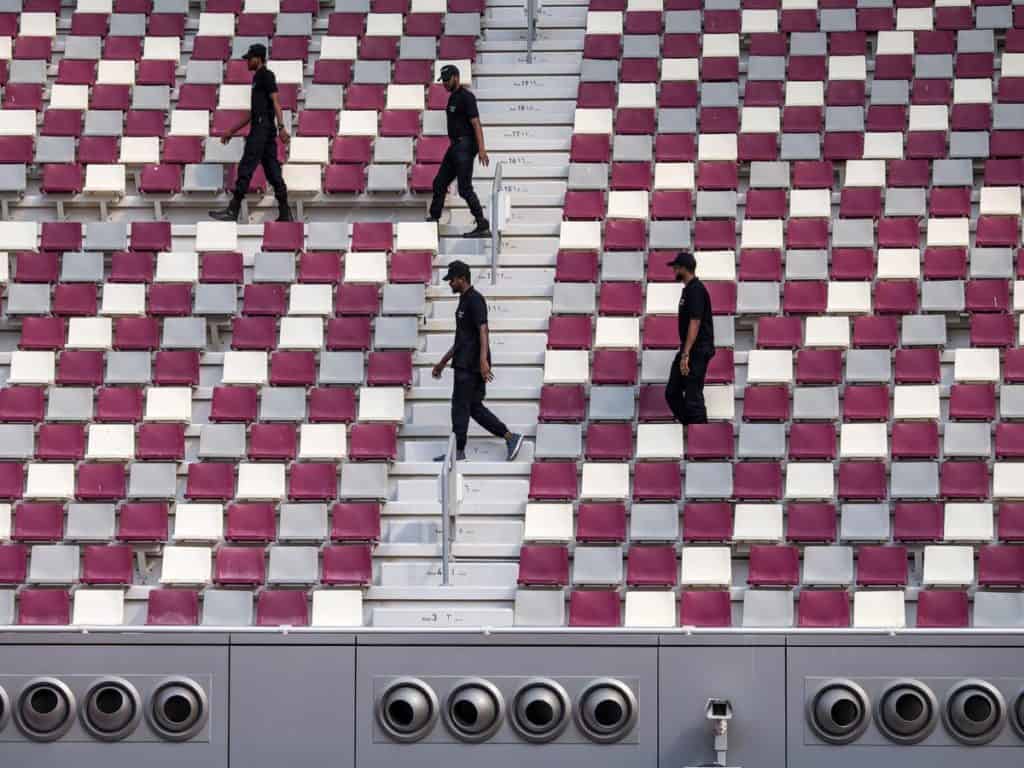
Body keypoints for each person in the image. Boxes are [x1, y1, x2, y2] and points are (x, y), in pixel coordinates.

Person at [432, 260, 524, 462]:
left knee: (460, 407)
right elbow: (461, 338)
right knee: (473, 407)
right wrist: (442, 362)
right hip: (463, 362)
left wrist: (483, 361)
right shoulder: (463, 300)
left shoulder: (475, 299)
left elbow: (484, 330)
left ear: (462, 279)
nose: (450, 283)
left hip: (470, 365)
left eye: (452, 280)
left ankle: (458, 452)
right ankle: (510, 437)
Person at [210, 43, 292, 223]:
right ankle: (286, 214)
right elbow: (253, 112)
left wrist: (282, 127)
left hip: (262, 130)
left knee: (246, 166)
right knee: (273, 172)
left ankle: (233, 209)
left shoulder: (266, 76)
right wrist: (232, 130)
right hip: (264, 129)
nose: (247, 61)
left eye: (250, 58)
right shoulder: (257, 79)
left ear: (259, 58)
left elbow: (276, 102)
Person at [427, 65, 491, 238]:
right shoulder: (452, 98)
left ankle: (482, 223)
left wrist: (482, 149)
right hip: (455, 146)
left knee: (464, 188)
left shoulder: (467, 97)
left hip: (465, 145)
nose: (445, 84)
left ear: (456, 77)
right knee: (439, 182)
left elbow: (476, 123)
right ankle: (433, 220)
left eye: (447, 79)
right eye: (443, 80)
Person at [665, 251, 715, 425]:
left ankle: (702, 440)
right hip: (689, 349)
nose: (674, 271)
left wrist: (685, 354)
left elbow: (695, 321)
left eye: (676, 267)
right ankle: (693, 428)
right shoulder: (689, 290)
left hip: (697, 350)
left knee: (693, 396)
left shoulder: (696, 290)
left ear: (684, 268)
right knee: (672, 392)